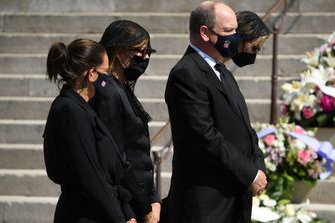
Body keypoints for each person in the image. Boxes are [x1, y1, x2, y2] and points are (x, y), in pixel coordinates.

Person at [164, 1, 267, 223]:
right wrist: (249, 173)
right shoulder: (186, 73)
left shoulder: (223, 72)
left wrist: (258, 166)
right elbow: (205, 137)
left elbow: (244, 128)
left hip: (233, 196)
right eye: (229, 31)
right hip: (206, 204)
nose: (235, 37)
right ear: (205, 33)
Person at [43, 39, 145, 223]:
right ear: (91, 74)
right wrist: (119, 218)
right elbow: (91, 177)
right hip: (84, 215)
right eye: (105, 72)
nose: (108, 79)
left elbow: (110, 168)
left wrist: (130, 211)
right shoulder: (70, 111)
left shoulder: (85, 108)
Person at [90, 20, 161, 223]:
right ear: (119, 53)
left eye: (148, 52)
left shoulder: (122, 88)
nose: (145, 57)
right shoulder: (108, 93)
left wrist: (154, 199)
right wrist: (131, 211)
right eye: (139, 51)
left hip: (141, 201)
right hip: (127, 207)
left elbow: (139, 153)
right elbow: (114, 158)